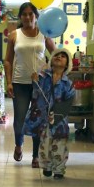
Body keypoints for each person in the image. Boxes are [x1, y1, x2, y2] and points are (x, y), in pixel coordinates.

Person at [4, 2, 56, 168]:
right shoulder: (14, 35)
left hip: (39, 85)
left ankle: (35, 156)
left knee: (38, 121)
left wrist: (46, 70)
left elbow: (56, 56)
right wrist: (9, 82)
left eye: (30, 14)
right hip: (19, 83)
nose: (27, 17)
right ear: (20, 17)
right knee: (19, 120)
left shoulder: (44, 35)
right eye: (24, 14)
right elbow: (8, 61)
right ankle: (18, 145)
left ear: (36, 16)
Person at [23, 48, 75, 179]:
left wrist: (57, 115)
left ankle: (59, 169)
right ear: (51, 60)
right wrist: (34, 81)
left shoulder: (68, 83)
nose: (59, 57)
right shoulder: (43, 77)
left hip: (59, 120)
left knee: (60, 145)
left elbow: (69, 102)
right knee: (45, 144)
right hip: (43, 118)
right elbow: (35, 94)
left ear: (67, 64)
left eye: (63, 56)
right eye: (57, 55)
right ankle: (46, 166)